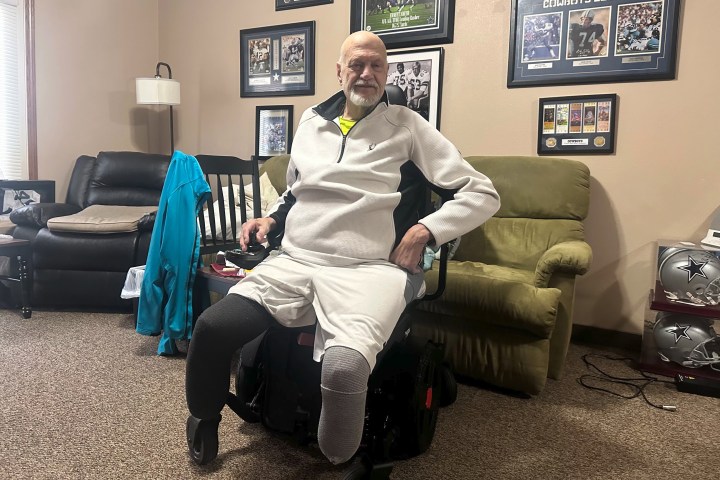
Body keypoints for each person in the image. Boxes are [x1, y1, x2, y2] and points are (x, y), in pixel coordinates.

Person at [185, 30, 500, 466]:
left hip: (370, 271)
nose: (366, 74)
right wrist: (271, 219)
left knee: (344, 369)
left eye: (376, 66)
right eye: (357, 65)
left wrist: (425, 230)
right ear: (339, 72)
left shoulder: (408, 127)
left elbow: (481, 193)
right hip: (295, 261)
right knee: (211, 329)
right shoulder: (311, 121)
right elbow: (296, 189)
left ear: (387, 73)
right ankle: (203, 418)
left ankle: (339, 459)